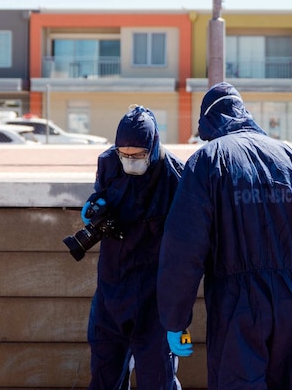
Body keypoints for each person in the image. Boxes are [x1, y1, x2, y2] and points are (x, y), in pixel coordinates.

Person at [157, 82, 292, 389]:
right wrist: (284, 258)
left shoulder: (206, 162)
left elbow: (183, 253)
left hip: (236, 302)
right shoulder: (286, 156)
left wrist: (175, 320)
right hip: (289, 296)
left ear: (208, 121)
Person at [82, 105, 185, 390]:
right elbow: (99, 193)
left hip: (154, 294)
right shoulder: (109, 163)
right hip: (112, 286)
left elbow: (189, 240)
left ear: (151, 148)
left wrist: (180, 315)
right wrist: (95, 206)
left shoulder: (174, 174)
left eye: (137, 155)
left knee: (157, 376)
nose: (129, 160)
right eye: (123, 153)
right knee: (105, 371)